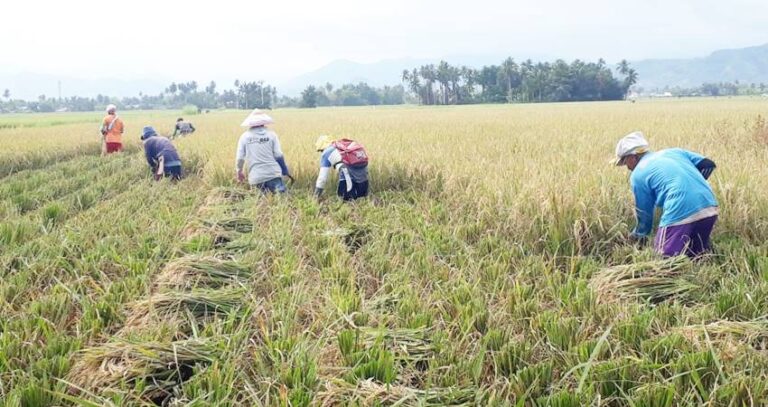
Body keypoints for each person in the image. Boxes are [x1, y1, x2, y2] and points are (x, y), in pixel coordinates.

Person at [614, 131, 718, 258]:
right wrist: (692, 187)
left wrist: (639, 235)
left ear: (633, 157)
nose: (627, 167)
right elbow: (708, 164)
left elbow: (644, 213)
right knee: (696, 256)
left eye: (625, 162)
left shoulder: (638, 175)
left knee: (663, 259)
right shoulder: (674, 152)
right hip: (709, 204)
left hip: (680, 209)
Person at [235, 109, 292, 193]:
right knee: (281, 201)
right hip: (273, 175)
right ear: (263, 122)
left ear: (250, 123)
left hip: (256, 177)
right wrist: (284, 169)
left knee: (260, 204)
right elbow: (278, 155)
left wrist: (239, 171)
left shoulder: (244, 137)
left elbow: (240, 158)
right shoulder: (272, 135)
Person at [314, 135, 369, 201]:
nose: (321, 152)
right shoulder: (340, 148)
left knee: (345, 199)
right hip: (363, 175)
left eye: (321, 151)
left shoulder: (326, 153)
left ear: (322, 148)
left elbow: (322, 179)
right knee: (361, 200)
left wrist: (316, 196)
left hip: (347, 175)